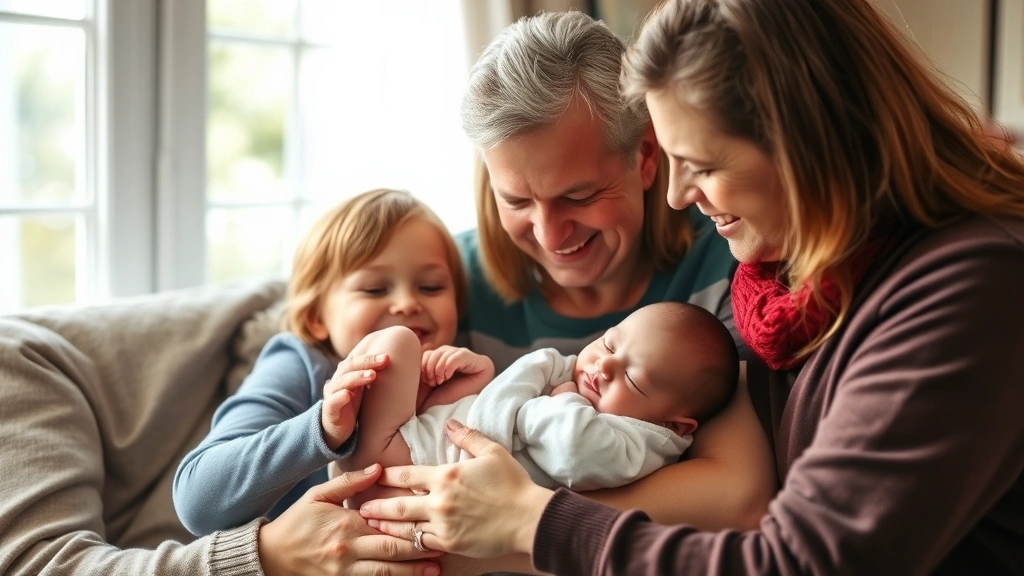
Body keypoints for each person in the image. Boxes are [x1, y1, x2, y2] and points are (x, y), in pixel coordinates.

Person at [355, 0, 1024, 573]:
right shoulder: (789, 284)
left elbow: (801, 557)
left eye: (698, 165)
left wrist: (534, 522)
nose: (674, 195)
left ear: (810, 143)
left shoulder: (969, 285)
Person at [329, 10, 777, 546]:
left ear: (646, 158)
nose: (549, 234)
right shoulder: (439, 283)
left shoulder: (723, 271)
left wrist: (512, 516)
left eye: (579, 196)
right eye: (516, 200)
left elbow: (736, 497)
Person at [172, 188, 473, 537]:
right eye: (374, 289)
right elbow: (197, 502)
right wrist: (322, 431)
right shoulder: (300, 365)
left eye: (431, 287)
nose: (407, 303)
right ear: (317, 317)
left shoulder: (456, 370)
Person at [342, 302, 738, 497]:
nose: (604, 366)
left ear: (672, 424)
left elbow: (572, 452)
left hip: (411, 472)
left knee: (397, 342)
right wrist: (483, 377)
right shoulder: (589, 383)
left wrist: (563, 398)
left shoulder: (638, 443)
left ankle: (346, 442)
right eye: (610, 342)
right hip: (431, 443)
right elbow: (510, 395)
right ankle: (338, 429)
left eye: (632, 378)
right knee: (399, 347)